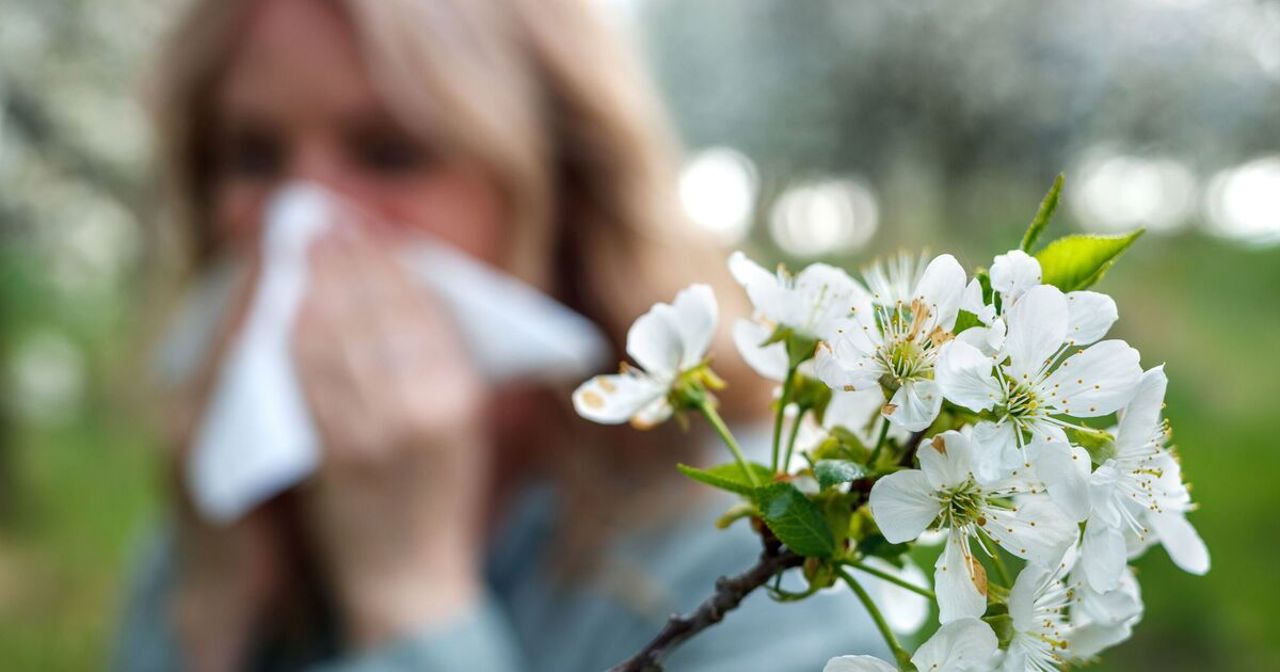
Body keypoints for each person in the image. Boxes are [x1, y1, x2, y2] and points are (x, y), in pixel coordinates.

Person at [115, 0, 882, 669]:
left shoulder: (752, 546)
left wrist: (408, 596)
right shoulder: (233, 518)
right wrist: (208, 617)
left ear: (562, 188)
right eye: (253, 157)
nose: (303, 221)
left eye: (389, 152)